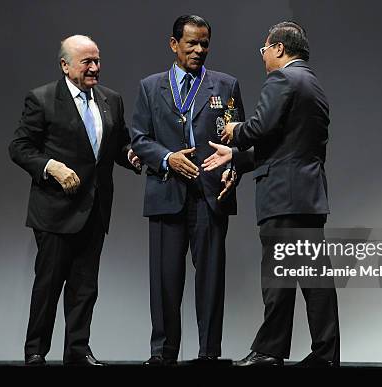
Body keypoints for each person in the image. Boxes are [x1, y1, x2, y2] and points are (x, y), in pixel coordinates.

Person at [202, 21, 340, 367]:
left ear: (279, 48)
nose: (263, 57)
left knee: (277, 279)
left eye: (264, 49)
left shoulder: (282, 79)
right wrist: (235, 157)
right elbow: (284, 143)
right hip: (307, 195)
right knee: (314, 280)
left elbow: (261, 128)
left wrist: (234, 132)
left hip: (283, 195)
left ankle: (269, 351)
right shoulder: (314, 84)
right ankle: (326, 354)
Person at [9, 35, 141, 366]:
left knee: (85, 288)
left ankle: (78, 350)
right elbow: (20, 147)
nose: (95, 67)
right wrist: (50, 167)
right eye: (87, 62)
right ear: (65, 66)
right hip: (55, 211)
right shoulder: (42, 100)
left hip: (94, 209)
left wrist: (132, 156)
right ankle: (36, 351)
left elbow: (118, 144)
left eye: (97, 60)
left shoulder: (111, 99)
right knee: (48, 285)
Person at [130, 15, 244, 365]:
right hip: (167, 191)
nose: (199, 50)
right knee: (165, 282)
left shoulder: (225, 85)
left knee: (210, 281)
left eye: (205, 43)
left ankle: (209, 354)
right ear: (173, 44)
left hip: (210, 194)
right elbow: (139, 138)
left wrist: (233, 168)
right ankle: (163, 354)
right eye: (192, 43)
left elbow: (236, 135)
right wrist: (167, 159)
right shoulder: (151, 87)